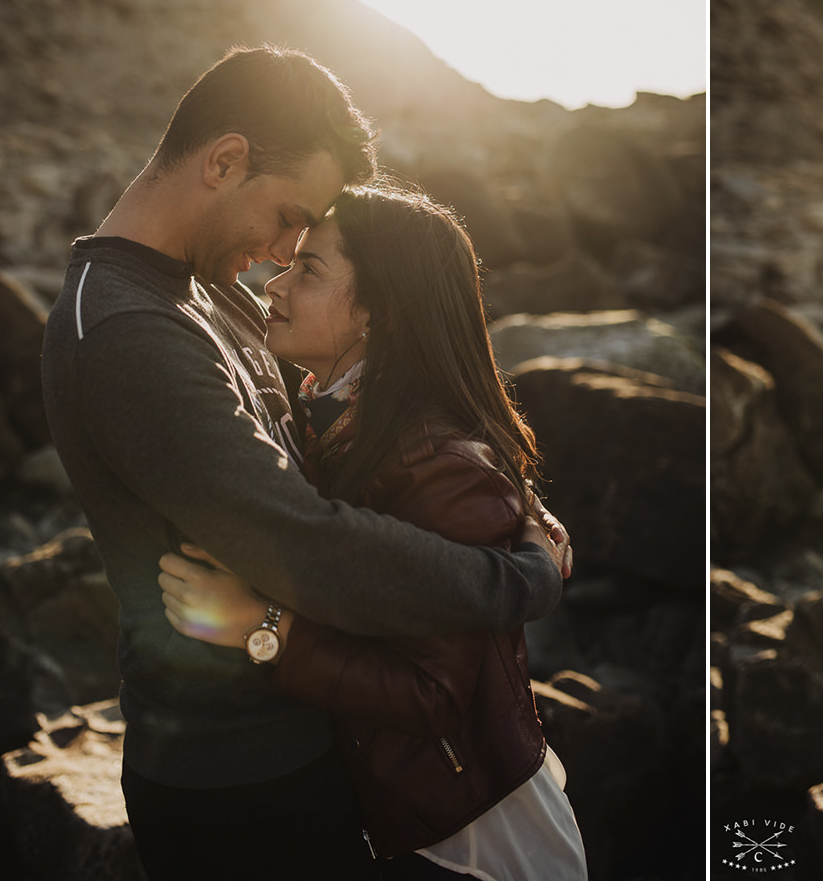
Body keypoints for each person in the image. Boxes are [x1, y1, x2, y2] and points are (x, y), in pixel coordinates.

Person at [41, 46, 567, 881]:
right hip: (230, 781)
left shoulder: (209, 292)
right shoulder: (125, 332)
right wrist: (518, 579)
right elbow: (300, 536)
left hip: (303, 742)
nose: (284, 251)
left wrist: (518, 505)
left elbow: (366, 423)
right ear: (224, 161)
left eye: (306, 239)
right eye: (288, 217)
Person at [157, 182, 588, 879]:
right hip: (412, 818)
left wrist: (262, 628)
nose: (277, 284)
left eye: (310, 270)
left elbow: (434, 697)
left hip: (472, 840)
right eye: (288, 263)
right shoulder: (331, 420)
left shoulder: (435, 463)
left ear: (378, 314)